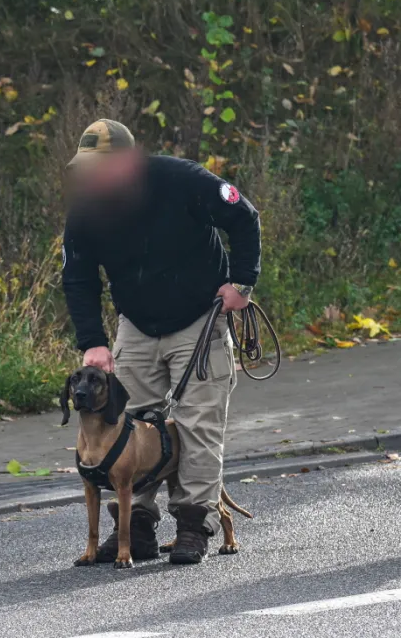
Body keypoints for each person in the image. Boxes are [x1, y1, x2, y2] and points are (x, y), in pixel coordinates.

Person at [61, 118, 261, 563]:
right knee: (127, 422)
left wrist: (241, 284)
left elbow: (244, 217)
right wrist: (92, 341)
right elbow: (77, 278)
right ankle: (139, 528)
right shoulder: (86, 210)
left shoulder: (183, 180)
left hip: (199, 318)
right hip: (137, 321)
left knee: (198, 424)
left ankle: (194, 524)